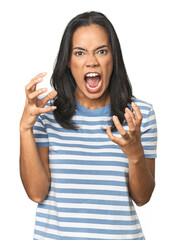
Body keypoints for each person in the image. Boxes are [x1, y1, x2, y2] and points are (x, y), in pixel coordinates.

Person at [20, 11, 157, 240]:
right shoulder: (45, 114)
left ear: (113, 58)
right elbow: (36, 193)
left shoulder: (138, 115)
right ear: (68, 61)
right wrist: (25, 128)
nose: (91, 61)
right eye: (80, 52)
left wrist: (135, 155)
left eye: (101, 51)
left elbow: (142, 198)